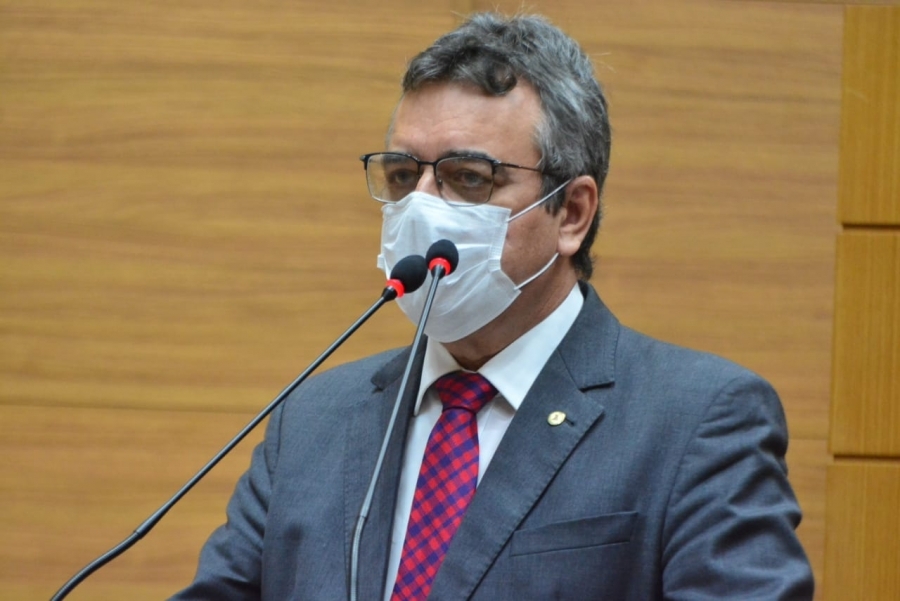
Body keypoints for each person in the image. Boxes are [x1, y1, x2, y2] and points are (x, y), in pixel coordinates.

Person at [172, 12, 814, 600]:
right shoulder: (314, 419)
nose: (422, 208)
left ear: (572, 213)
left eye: (469, 178)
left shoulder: (697, 421)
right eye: (404, 176)